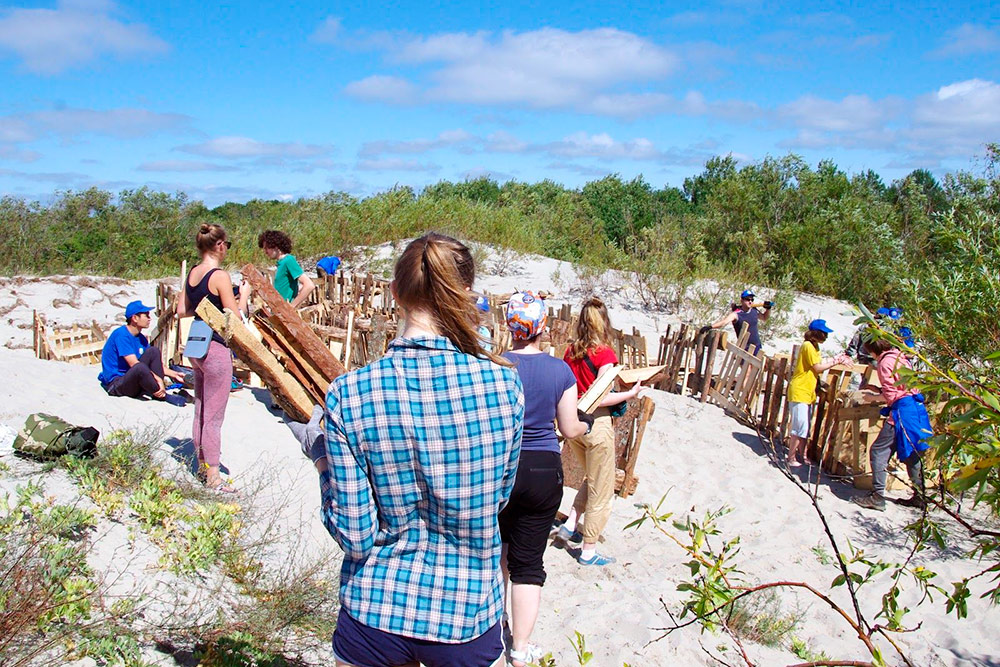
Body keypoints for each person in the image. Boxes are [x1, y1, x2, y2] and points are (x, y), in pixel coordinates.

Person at [316, 232, 524, 667]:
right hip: (465, 617)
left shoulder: (350, 394)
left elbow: (355, 537)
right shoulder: (504, 386)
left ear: (394, 293)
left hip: (374, 612)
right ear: (465, 293)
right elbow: (499, 498)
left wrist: (321, 461)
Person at [499, 291, 590, 666]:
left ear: (510, 326)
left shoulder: (496, 365)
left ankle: (490, 624)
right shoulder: (559, 371)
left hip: (500, 465)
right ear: (543, 328)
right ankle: (520, 647)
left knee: (496, 551)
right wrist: (589, 420)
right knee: (528, 562)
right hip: (541, 469)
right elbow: (569, 429)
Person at [559, 297, 643, 566]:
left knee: (593, 477)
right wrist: (630, 393)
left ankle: (570, 523)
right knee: (602, 489)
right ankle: (588, 550)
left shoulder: (571, 351)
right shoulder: (604, 353)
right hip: (596, 424)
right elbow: (599, 396)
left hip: (574, 424)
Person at [176, 223, 249, 493]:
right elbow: (235, 317)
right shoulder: (218, 276)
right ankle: (214, 477)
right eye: (226, 245)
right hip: (215, 346)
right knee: (215, 416)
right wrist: (244, 297)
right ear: (219, 245)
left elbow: (182, 310)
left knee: (201, 410)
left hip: (196, 344)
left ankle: (201, 465)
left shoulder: (193, 274)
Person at [852, 337, 930, 511]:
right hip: (916, 410)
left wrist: (872, 397)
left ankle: (878, 496)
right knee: (912, 453)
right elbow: (901, 388)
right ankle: (920, 496)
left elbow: (892, 396)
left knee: (879, 451)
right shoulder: (900, 357)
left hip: (902, 413)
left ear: (872, 351)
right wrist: (879, 390)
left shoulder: (884, 363)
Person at [786, 320, 850, 467]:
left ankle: (802, 455)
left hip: (808, 391)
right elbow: (818, 367)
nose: (826, 336)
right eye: (824, 333)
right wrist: (835, 361)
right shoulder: (807, 346)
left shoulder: (815, 347)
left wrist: (837, 358)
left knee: (805, 426)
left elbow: (819, 362)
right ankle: (791, 457)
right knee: (799, 425)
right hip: (800, 390)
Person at [98, 300, 185, 399]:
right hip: (117, 383)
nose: (149, 319)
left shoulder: (141, 338)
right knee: (140, 367)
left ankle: (159, 391)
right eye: (146, 315)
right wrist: (158, 379)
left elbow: (154, 365)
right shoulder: (121, 335)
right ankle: (161, 394)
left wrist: (175, 374)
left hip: (133, 379)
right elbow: (134, 364)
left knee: (153, 351)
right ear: (135, 318)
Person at [257, 230, 315, 308]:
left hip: (285, 312)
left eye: (267, 248)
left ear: (276, 246)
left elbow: (309, 285)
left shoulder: (288, 260)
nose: (265, 252)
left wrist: (292, 306)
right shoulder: (281, 263)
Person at [704, 289, 773, 353]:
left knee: (757, 366)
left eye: (752, 299)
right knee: (746, 366)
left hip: (757, 345)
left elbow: (764, 318)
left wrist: (768, 309)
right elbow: (724, 322)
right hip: (744, 347)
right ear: (742, 300)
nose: (750, 301)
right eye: (747, 299)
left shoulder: (754, 310)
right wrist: (710, 326)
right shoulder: (736, 314)